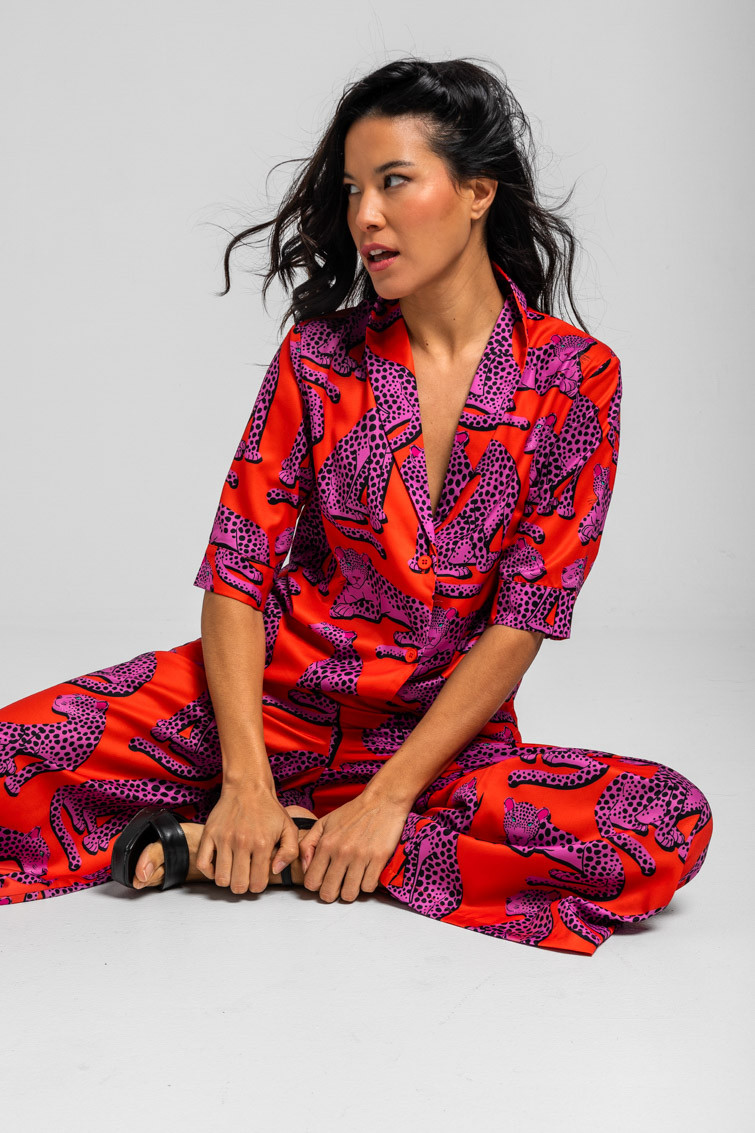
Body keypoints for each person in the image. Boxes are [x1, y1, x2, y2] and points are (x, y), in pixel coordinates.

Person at [0, 56, 712, 953]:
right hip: (260, 707)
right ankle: (264, 823)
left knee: (663, 826)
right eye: (351, 190)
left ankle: (277, 847)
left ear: (477, 191)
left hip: (437, 748)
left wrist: (388, 798)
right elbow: (236, 574)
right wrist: (246, 779)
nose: (364, 214)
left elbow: (523, 618)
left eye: (393, 181)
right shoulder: (317, 358)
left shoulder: (575, 378)